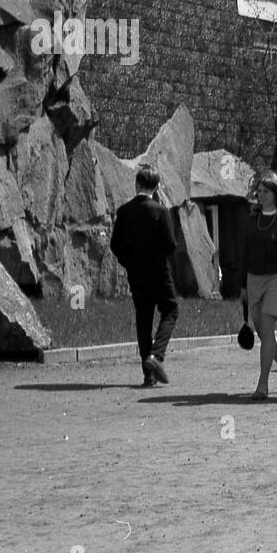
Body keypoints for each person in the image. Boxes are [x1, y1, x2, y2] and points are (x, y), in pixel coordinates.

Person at [110, 165, 179, 387]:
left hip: (136, 273)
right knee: (170, 310)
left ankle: (147, 375)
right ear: (157, 187)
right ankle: (156, 356)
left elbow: (115, 244)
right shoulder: (160, 211)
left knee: (144, 317)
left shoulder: (124, 211)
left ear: (137, 184)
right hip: (159, 271)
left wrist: (128, 262)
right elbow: (170, 245)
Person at [239, 173, 277, 399]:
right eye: (259, 191)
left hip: (276, 279)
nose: (261, 195)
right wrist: (242, 284)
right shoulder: (253, 218)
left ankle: (262, 384)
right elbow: (245, 253)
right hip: (253, 279)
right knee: (264, 333)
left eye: (266, 191)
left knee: (268, 328)